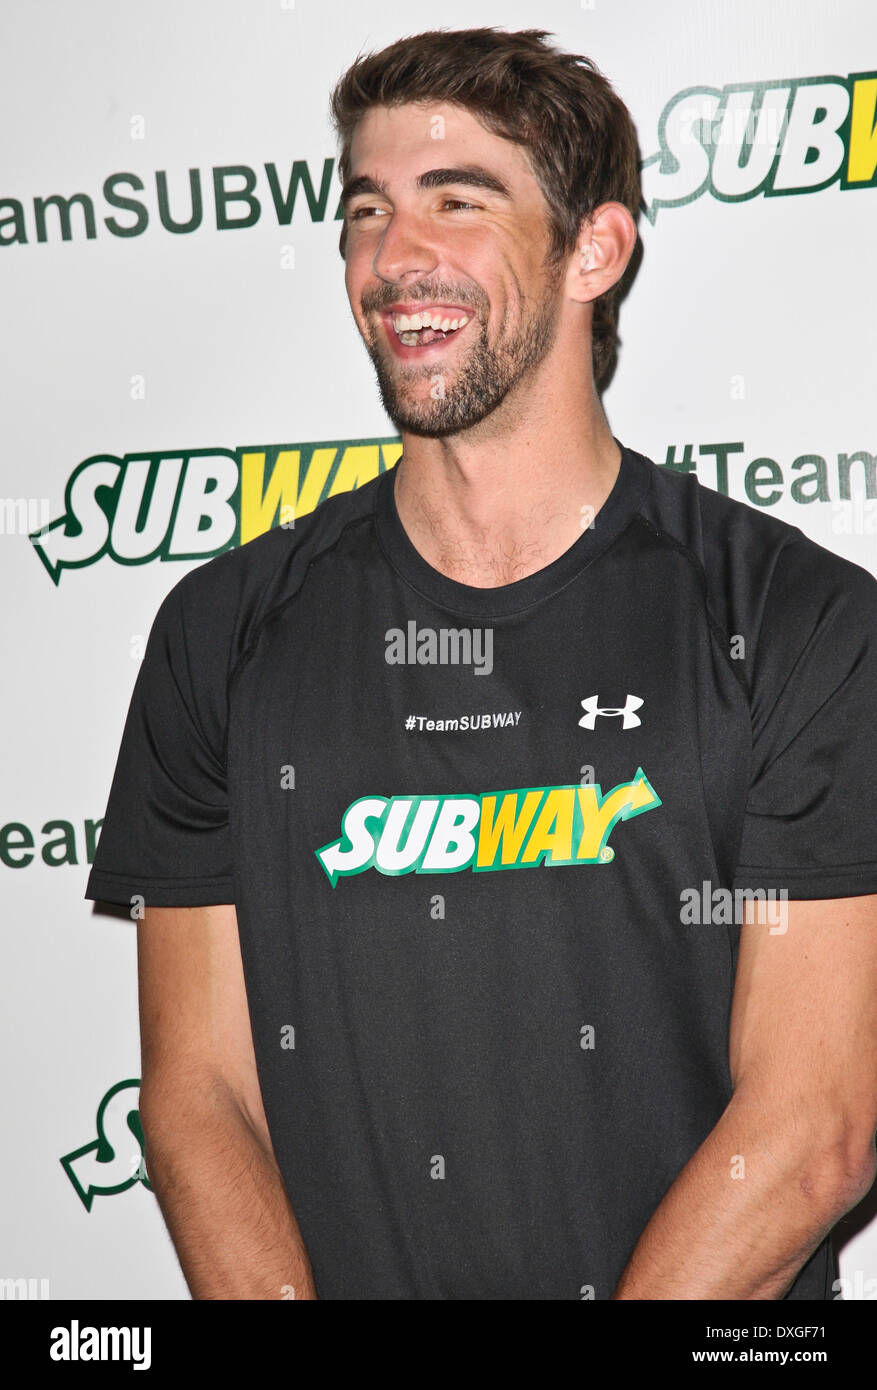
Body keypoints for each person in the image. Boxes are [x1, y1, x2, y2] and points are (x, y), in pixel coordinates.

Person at [84, 27, 877, 1300]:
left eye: (458, 201)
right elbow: (200, 1098)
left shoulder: (796, 623)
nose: (395, 257)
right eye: (367, 210)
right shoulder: (223, 634)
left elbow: (813, 1129)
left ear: (594, 250)